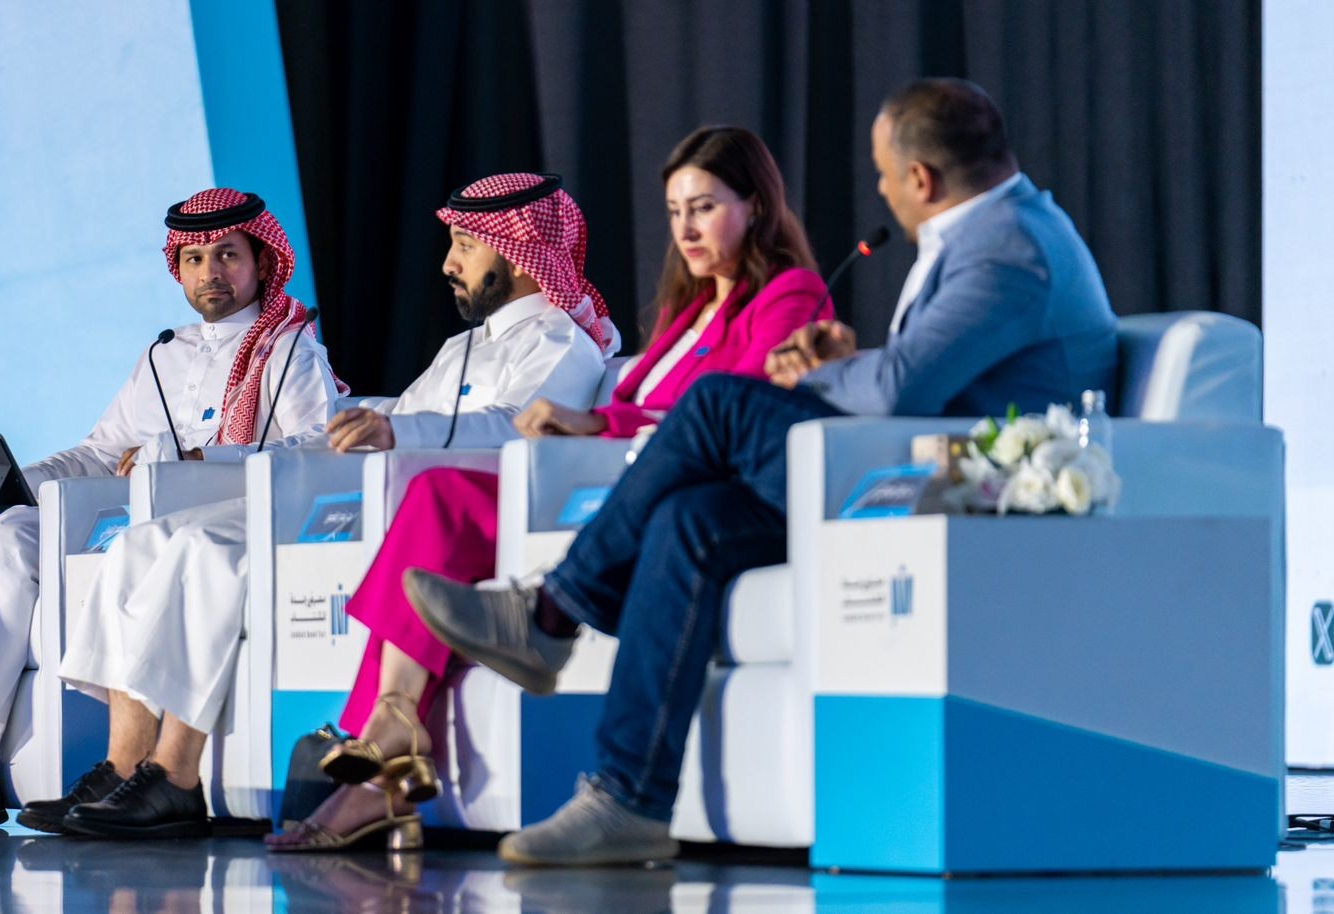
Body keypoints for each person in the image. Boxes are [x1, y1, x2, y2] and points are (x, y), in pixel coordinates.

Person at [405, 77, 1119, 865]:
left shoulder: (1006, 247)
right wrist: (844, 363)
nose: (882, 191)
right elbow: (916, 376)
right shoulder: (999, 233)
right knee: (687, 521)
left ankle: (550, 613)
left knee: (717, 404)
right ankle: (628, 798)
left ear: (920, 179)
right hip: (895, 464)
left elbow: (900, 392)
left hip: (942, 486)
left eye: (884, 175)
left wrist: (821, 373)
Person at [264, 127, 832, 853]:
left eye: (705, 208)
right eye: (675, 211)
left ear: (755, 207)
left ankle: (433, 713)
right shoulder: (685, 314)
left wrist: (594, 423)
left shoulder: (783, 295)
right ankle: (392, 723)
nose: (686, 229)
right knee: (435, 497)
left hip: (645, 487)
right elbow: (633, 409)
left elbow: (731, 411)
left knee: (442, 492)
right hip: (608, 479)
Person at [31, 172, 615, 839]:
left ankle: (175, 776)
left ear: (518, 252)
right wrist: (314, 441)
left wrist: (394, 432)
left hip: (416, 511)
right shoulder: (464, 348)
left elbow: (518, 426)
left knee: (202, 548)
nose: (449, 264)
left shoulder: (560, 342)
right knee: (142, 541)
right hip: (356, 491)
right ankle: (125, 763)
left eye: (464, 245)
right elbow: (393, 415)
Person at [0, 189, 340, 830]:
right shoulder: (165, 355)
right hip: (120, 512)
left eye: (228, 255)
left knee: (13, 539)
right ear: (178, 268)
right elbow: (100, 452)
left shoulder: (290, 351)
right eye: (195, 258)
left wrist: (203, 459)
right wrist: (18, 480)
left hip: (197, 518)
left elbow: (318, 446)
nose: (211, 272)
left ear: (260, 261)